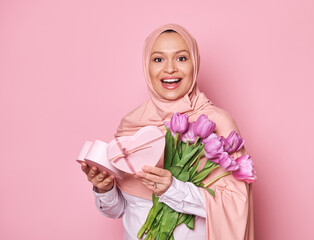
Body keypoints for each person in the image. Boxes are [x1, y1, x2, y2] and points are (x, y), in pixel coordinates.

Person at [81, 23, 254, 240]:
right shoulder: (132, 124)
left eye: (181, 58)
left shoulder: (217, 122)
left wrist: (172, 188)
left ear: (194, 62)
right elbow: (119, 210)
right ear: (147, 65)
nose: (170, 68)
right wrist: (104, 189)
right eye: (158, 59)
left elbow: (236, 205)